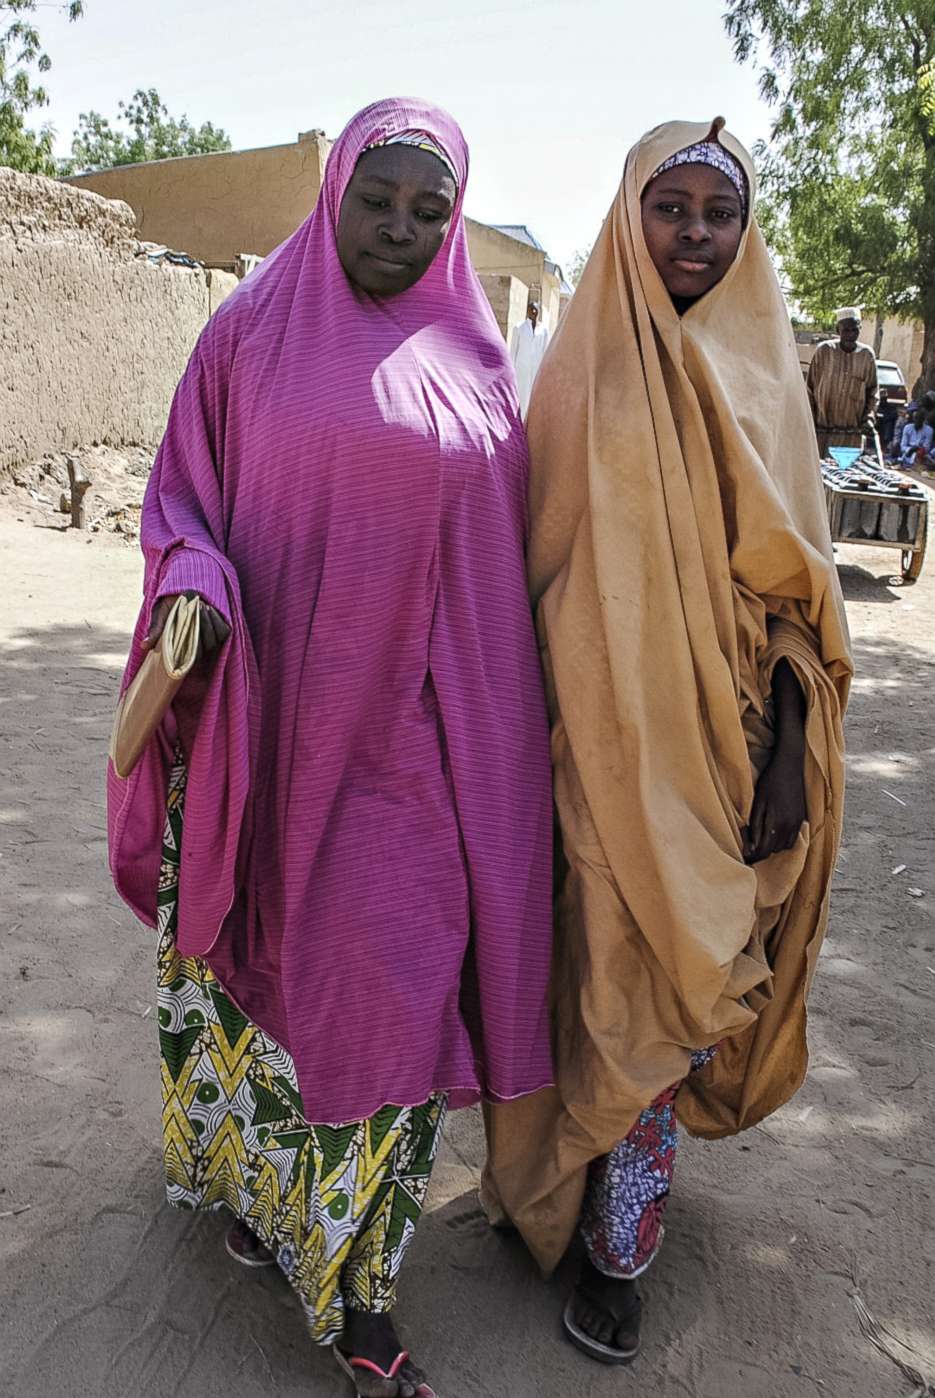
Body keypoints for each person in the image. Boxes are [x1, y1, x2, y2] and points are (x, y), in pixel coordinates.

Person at [107, 98, 554, 1398]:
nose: (402, 230)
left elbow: (488, 591)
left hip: (400, 767)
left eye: (431, 209)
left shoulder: (474, 365)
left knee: (387, 1007)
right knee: (256, 981)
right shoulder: (247, 334)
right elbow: (181, 494)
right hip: (259, 735)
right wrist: (190, 575)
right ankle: (254, 1192)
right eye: (380, 199)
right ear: (335, 191)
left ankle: (358, 1288)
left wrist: (489, 773)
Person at [483, 118, 852, 1366]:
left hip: (724, 756)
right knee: (579, 978)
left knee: (677, 982)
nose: (693, 232)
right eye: (669, 206)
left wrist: (792, 749)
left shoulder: (765, 377)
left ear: (745, 231)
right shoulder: (579, 368)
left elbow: (802, 599)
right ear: (628, 215)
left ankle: (618, 1242)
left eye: (716, 211)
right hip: (582, 738)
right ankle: (548, 1178)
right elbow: (527, 564)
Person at [806, 307, 879, 458]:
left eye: (855, 330)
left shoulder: (867, 356)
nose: (851, 334)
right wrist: (809, 421)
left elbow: (873, 391)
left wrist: (869, 418)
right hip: (821, 433)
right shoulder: (824, 351)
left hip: (851, 436)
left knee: (845, 476)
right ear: (838, 329)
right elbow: (809, 390)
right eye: (846, 330)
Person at [510, 300, 551, 415]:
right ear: (527, 312)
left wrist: (544, 373)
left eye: (536, 310)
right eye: (531, 310)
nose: (533, 312)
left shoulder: (544, 330)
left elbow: (546, 352)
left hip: (536, 371)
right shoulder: (519, 328)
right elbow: (513, 352)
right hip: (521, 370)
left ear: (539, 312)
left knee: (533, 400)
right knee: (520, 398)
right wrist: (511, 372)